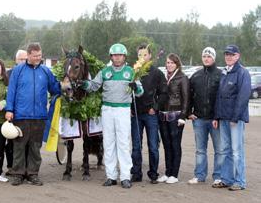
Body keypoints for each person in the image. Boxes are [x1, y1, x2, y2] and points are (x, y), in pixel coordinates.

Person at [81, 43, 143, 189]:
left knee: (123, 143)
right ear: (111, 57)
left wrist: (137, 87)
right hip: (107, 109)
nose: (117, 58)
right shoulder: (105, 71)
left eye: (120, 55)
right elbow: (94, 86)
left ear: (124, 56)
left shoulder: (131, 71)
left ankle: (126, 177)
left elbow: (140, 92)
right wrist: (84, 84)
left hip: (123, 110)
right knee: (109, 143)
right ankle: (111, 176)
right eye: (115, 55)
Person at [5, 43, 61, 186]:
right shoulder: (18, 71)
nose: (38, 58)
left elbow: (55, 88)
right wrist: (9, 110)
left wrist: (64, 85)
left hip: (40, 116)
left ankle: (33, 174)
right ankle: (18, 174)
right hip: (21, 115)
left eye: (40, 55)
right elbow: (11, 91)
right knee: (19, 146)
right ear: (28, 55)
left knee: (35, 147)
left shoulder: (46, 71)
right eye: (35, 56)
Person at [213, 45, 251, 191]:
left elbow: (243, 97)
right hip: (223, 118)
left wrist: (235, 117)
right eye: (226, 54)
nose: (228, 56)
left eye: (231, 54)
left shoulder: (242, 73)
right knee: (225, 150)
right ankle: (227, 179)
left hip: (235, 119)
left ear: (237, 56)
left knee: (236, 151)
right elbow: (219, 96)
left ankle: (240, 181)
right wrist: (216, 116)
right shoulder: (225, 72)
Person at [130, 44, 167, 184]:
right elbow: (127, 93)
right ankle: (136, 173)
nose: (142, 57)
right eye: (140, 55)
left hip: (151, 114)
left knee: (153, 146)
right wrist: (130, 108)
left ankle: (153, 174)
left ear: (150, 56)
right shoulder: (133, 72)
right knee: (136, 146)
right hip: (136, 114)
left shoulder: (157, 73)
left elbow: (164, 93)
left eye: (145, 54)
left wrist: (155, 107)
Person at [187, 47, 223, 185]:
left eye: (209, 56)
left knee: (219, 150)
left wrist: (218, 116)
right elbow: (189, 96)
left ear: (214, 58)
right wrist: (189, 112)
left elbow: (223, 98)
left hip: (216, 120)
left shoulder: (221, 75)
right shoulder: (196, 76)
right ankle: (199, 175)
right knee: (200, 150)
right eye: (204, 56)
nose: (206, 58)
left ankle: (218, 176)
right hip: (199, 119)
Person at [157, 53, 189, 184]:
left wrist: (183, 116)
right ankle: (167, 172)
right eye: (168, 62)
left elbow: (187, 98)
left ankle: (174, 174)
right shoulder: (165, 77)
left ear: (177, 64)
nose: (169, 65)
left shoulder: (182, 78)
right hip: (164, 115)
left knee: (175, 145)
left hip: (176, 116)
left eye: (172, 63)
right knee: (166, 145)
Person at [4, 49, 28, 175]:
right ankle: (11, 167)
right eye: (21, 59)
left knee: (26, 142)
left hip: (26, 114)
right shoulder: (8, 74)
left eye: (25, 59)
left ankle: (25, 168)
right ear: (16, 60)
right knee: (11, 143)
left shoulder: (30, 73)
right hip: (12, 113)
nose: (23, 61)